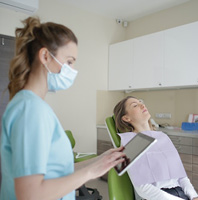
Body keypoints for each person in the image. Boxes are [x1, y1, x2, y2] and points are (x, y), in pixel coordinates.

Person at [0, 16, 126, 200]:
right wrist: (90, 172)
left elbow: (57, 172)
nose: (72, 70)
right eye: (69, 61)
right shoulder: (30, 110)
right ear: (45, 56)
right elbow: (29, 194)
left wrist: (101, 160)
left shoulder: (34, 106)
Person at [113, 96, 198, 200]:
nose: (142, 105)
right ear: (126, 118)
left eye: (141, 102)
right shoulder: (130, 142)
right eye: (135, 105)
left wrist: (194, 196)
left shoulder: (162, 137)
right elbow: (143, 189)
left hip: (181, 193)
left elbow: (181, 176)